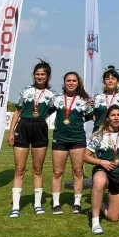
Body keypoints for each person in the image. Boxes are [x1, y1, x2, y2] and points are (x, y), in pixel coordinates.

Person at [7, 60, 57, 217]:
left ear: (48, 76)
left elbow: (55, 109)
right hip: (23, 127)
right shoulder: (25, 90)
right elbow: (17, 111)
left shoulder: (52, 95)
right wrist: (11, 132)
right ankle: (16, 206)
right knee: (19, 169)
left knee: (38, 169)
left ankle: (37, 204)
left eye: (43, 74)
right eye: (37, 74)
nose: (39, 77)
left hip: (40, 128)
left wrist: (41, 117)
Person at [49, 72, 94, 215]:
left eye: (74, 80)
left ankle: (77, 203)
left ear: (78, 83)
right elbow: (44, 112)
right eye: (68, 80)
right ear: (64, 82)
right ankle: (56, 203)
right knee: (57, 172)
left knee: (78, 171)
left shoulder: (84, 101)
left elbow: (92, 116)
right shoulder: (56, 99)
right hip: (60, 139)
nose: (71, 83)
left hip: (77, 139)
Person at [83, 104, 119, 235]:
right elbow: (85, 156)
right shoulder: (100, 135)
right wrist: (101, 162)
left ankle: (97, 205)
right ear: (108, 118)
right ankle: (95, 222)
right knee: (99, 181)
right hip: (103, 170)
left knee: (114, 218)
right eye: (113, 115)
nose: (116, 118)